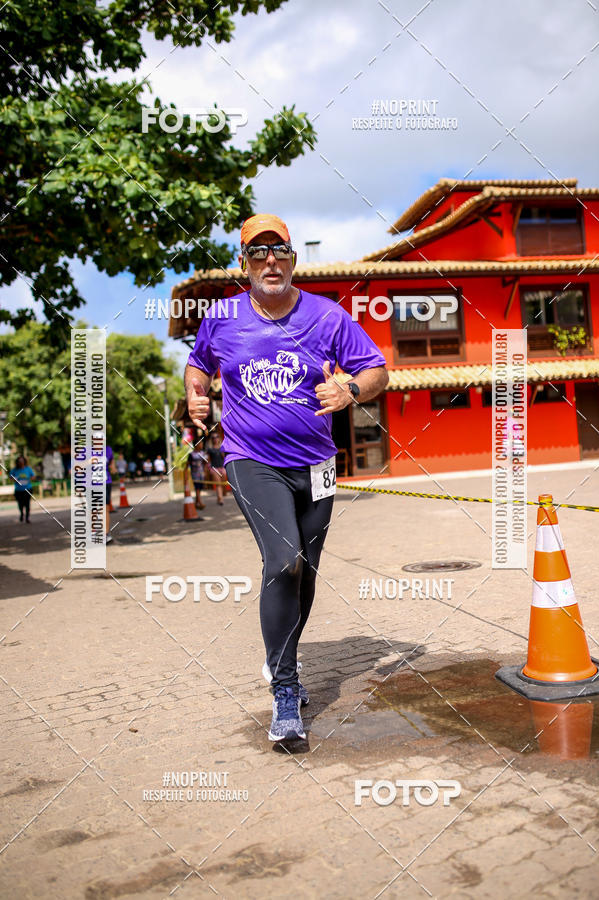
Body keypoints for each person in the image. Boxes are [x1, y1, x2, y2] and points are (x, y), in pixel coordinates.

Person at [184, 213, 388, 742]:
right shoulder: (221, 318)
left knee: (306, 571)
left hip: (317, 465)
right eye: (258, 253)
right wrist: (194, 393)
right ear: (243, 263)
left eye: (280, 252)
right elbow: (197, 364)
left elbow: (376, 370)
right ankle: (286, 691)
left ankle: (282, 657)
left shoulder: (327, 317)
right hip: (251, 459)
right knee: (284, 560)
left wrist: (350, 390)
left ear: (293, 260)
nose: (270, 261)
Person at [10, 455, 35, 523]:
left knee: (27, 504)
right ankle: (21, 513)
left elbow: (33, 476)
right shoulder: (14, 470)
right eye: (19, 461)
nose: (21, 462)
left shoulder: (28, 469)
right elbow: (11, 478)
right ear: (17, 462)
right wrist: (15, 479)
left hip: (27, 489)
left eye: (22, 461)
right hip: (18, 490)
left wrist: (28, 479)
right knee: (20, 504)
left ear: (24, 461)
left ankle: (27, 518)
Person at [206, 433, 227, 505]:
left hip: (222, 467)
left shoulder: (222, 447)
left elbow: (225, 458)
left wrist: (222, 452)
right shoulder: (210, 449)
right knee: (218, 484)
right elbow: (208, 460)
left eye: (217, 437)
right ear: (211, 440)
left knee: (223, 482)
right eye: (213, 438)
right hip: (214, 468)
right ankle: (220, 499)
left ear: (219, 438)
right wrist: (208, 469)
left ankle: (223, 493)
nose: (215, 439)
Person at [188, 443, 208, 509]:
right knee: (197, 488)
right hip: (195, 474)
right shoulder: (191, 455)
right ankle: (200, 502)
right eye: (200, 444)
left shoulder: (202, 453)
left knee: (200, 488)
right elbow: (187, 464)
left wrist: (205, 472)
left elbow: (205, 463)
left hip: (201, 473)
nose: (202, 445)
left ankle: (196, 503)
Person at [105, 443, 117, 544]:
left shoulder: (108, 449)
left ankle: (106, 534)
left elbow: (111, 461)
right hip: (90, 484)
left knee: (105, 508)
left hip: (105, 482)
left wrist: (113, 467)